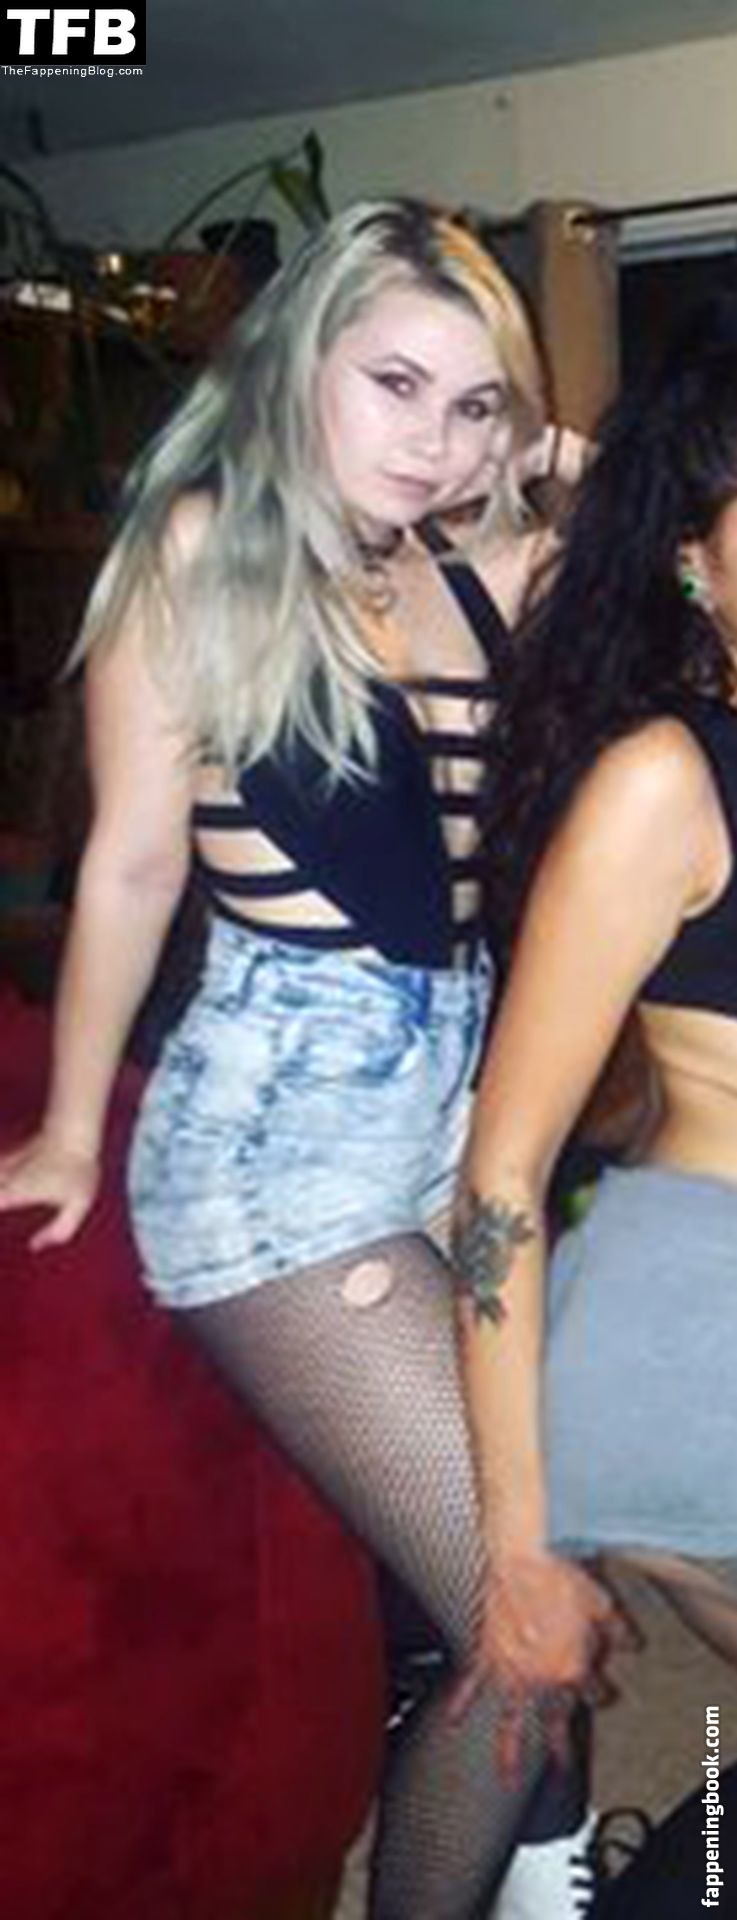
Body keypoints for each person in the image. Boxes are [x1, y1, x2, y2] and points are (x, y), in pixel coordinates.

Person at [0, 198, 598, 1919]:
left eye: (472, 407)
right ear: (295, 363)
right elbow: (132, 864)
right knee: (525, 1623)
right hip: (276, 1153)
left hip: (458, 1128)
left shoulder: (471, 570)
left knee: (542, 1556)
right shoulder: (201, 552)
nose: (433, 442)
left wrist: (552, 454)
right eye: (393, 384)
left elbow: (656, 535)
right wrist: (68, 1129)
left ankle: (537, 1857)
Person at [453, 296, 737, 1790]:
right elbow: (503, 1167)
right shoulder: (664, 783)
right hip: (703, 1324)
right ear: (695, 559)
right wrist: (520, 1548)